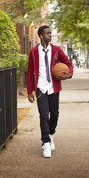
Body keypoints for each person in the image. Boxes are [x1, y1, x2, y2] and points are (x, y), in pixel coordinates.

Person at [26, 25, 73, 158]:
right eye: (47, 33)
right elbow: (30, 72)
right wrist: (30, 91)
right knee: (43, 115)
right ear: (41, 36)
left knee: (55, 114)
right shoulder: (34, 52)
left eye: (51, 33)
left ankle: (51, 134)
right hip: (41, 88)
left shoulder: (57, 50)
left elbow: (68, 64)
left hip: (53, 87)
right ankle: (46, 143)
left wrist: (69, 74)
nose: (50, 35)